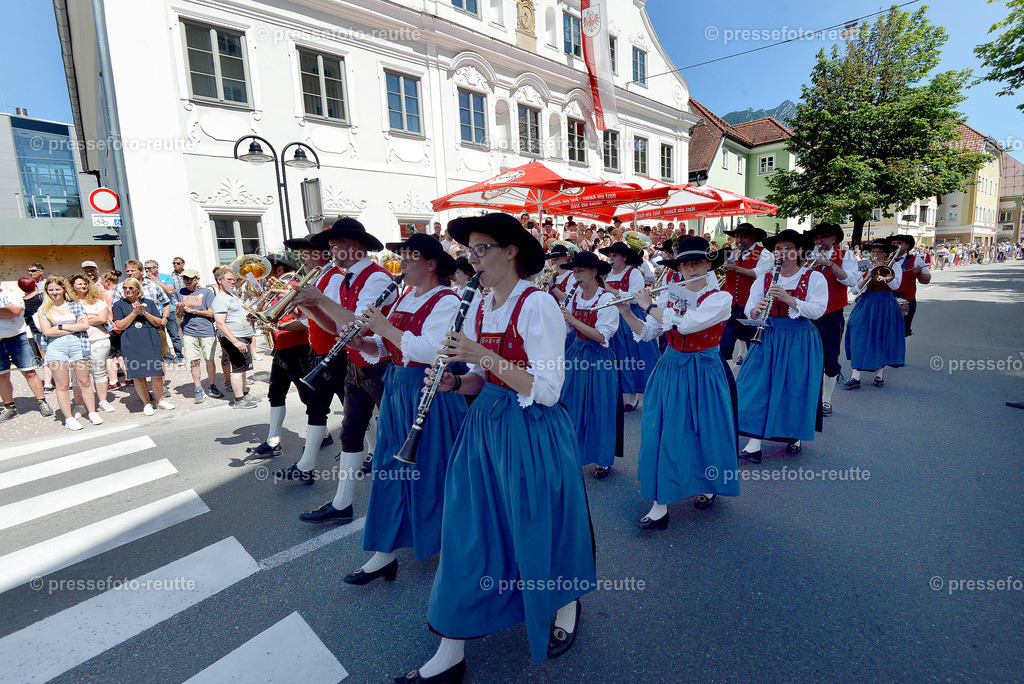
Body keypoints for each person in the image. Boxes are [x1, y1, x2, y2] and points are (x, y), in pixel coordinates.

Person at [390, 213, 594, 683]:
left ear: (511, 252)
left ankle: (564, 600)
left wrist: (478, 355)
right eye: (470, 252)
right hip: (485, 427)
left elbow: (547, 389)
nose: (473, 259)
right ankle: (451, 648)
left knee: (540, 521)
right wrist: (453, 383)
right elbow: (482, 381)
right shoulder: (478, 304)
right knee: (469, 531)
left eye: (482, 249)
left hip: (531, 430)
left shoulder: (537, 304)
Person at [340, 233, 467, 584]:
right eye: (402, 257)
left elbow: (431, 351)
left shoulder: (448, 300)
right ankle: (385, 551)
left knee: (431, 468)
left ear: (431, 264)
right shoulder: (406, 297)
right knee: (388, 468)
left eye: (410, 257)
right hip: (397, 386)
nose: (403, 264)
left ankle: (448, 545)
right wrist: (363, 339)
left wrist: (383, 327)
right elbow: (383, 346)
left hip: (430, 389)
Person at [617, 236, 739, 526]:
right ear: (679, 268)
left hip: (704, 370)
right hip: (670, 368)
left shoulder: (721, 298)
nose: (692, 269)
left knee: (706, 430)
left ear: (709, 264)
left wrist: (647, 305)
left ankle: (708, 485)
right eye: (686, 264)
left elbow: (687, 324)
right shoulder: (670, 297)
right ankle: (661, 502)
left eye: (698, 262)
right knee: (663, 431)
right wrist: (627, 312)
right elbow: (648, 333)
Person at [290, 218, 397, 520]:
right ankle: (342, 503)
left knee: (396, 438)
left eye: (337, 243)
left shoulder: (376, 277)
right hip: (357, 365)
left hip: (381, 366)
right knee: (350, 435)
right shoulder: (349, 278)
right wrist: (310, 307)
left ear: (356, 246)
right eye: (331, 244)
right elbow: (337, 325)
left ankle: (404, 505)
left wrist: (320, 298)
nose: (331, 248)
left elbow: (357, 326)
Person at [736, 230, 827, 463]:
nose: (782, 253)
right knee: (754, 385)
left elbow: (818, 310)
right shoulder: (765, 278)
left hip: (799, 337)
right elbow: (750, 309)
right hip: (768, 333)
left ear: (798, 252)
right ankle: (753, 442)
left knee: (794, 386)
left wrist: (789, 299)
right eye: (778, 249)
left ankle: (793, 435)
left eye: (787, 249)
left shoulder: (814, 277)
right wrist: (756, 309)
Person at [273, 233, 346, 482]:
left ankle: (372, 452)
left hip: (338, 354)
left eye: (304, 254)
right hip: (318, 353)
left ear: (318, 254)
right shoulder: (315, 279)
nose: (301, 260)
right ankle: (306, 466)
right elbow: (308, 320)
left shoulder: (334, 278)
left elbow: (336, 321)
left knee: (354, 409)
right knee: (315, 409)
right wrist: (294, 305)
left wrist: (305, 302)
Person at [558, 250, 622, 478]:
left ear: (595, 272)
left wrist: (572, 319)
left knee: (599, 407)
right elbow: (566, 329)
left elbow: (603, 336)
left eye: (580, 270)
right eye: (574, 271)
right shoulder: (573, 296)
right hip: (576, 354)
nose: (576, 275)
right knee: (570, 404)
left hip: (598, 358)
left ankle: (602, 459)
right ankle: (570, 454)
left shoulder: (606, 299)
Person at [244, 254, 313, 457]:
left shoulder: (293, 286)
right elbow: (270, 314)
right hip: (282, 347)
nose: (262, 274)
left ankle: (323, 433)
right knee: (275, 394)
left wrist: (277, 325)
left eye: (267, 269)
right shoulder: (275, 289)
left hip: (298, 347)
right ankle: (273, 442)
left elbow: (306, 322)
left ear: (279, 270)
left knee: (307, 394)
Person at [804, 223, 859, 417]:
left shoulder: (846, 256)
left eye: (824, 238)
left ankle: (826, 400)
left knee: (830, 358)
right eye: (817, 238)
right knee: (806, 358)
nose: (819, 241)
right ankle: (808, 398)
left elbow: (851, 281)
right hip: (807, 314)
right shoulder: (806, 254)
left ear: (834, 239)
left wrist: (829, 264)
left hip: (832, 313)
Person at [35, 276, 104, 430]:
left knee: (84, 381)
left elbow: (84, 325)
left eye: (57, 289)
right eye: (51, 290)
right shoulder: (43, 310)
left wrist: (59, 327)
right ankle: (69, 418)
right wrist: (71, 327)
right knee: (63, 385)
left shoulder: (74, 305)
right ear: (46, 291)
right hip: (56, 347)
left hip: (78, 344)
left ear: (64, 289)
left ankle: (92, 412)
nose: (54, 292)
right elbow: (47, 331)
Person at [599, 240, 660, 411]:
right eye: (609, 256)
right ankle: (620, 393)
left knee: (634, 358)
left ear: (624, 257)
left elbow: (635, 298)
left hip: (630, 318)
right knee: (618, 359)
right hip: (612, 318)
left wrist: (610, 289)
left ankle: (634, 396)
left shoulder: (634, 273)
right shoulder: (608, 275)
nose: (611, 259)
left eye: (614, 256)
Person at [843, 240, 906, 390]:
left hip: (886, 304)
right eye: (873, 252)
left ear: (886, 254)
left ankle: (879, 375)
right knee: (858, 336)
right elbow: (854, 291)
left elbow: (895, 286)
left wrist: (882, 270)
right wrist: (868, 276)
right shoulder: (863, 265)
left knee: (882, 338)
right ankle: (855, 376)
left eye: (879, 252)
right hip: (866, 303)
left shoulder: (895, 265)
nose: (875, 255)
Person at [111, 278, 173, 415]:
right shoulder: (118, 305)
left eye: (130, 288)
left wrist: (144, 312)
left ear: (138, 289)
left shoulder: (149, 303)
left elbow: (159, 322)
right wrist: (134, 313)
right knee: (138, 375)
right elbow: (119, 325)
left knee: (156, 373)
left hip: (150, 340)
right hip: (131, 342)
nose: (127, 290)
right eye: (125, 288)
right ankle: (147, 404)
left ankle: (160, 400)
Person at [719, 223, 773, 363]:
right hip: (730, 306)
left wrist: (736, 269)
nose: (738, 240)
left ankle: (751, 380)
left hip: (751, 307)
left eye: (743, 237)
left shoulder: (765, 253)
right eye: (736, 237)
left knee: (754, 348)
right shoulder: (731, 253)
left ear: (753, 238)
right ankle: (729, 381)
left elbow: (759, 274)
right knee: (725, 347)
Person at [0, 284, 53, 422]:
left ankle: (42, 402)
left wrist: (9, 310)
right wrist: (5, 310)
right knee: (2, 376)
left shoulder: (11, 294)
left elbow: (14, 311)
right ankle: (10, 407)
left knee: (29, 372)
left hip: (17, 339)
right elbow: (7, 311)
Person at [211, 266, 259, 409]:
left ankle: (244, 393)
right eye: (229, 280)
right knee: (237, 368)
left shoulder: (232, 296)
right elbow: (220, 323)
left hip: (242, 336)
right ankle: (239, 400)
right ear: (219, 280)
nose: (233, 282)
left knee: (243, 368)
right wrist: (235, 341)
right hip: (234, 338)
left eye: (234, 279)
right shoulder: (220, 299)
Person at [68, 274, 115, 414]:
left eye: (85, 283)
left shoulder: (97, 300)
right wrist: (90, 317)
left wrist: (82, 319)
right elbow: (68, 320)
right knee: (77, 375)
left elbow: (102, 318)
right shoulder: (68, 302)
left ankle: (103, 401)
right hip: (76, 343)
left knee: (99, 372)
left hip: (99, 341)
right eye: (80, 284)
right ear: (72, 287)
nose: (84, 286)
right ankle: (80, 405)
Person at [176, 268, 221, 403]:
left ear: (197, 279)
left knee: (209, 359)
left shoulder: (206, 292)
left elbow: (212, 313)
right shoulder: (180, 292)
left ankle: (212, 386)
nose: (187, 281)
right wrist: (180, 310)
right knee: (194, 361)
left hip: (206, 330)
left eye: (190, 278)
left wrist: (193, 311)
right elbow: (179, 316)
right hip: (189, 331)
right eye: (185, 278)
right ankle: (198, 388)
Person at [17, 276, 54, 394]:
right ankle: (66, 382)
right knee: (58, 356)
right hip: (50, 328)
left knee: (45, 357)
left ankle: (48, 383)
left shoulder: (23, 300)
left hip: (35, 331)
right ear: (34, 285)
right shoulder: (41, 297)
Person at [889, 235, 931, 337]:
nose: (895, 245)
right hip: (887, 300)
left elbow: (926, 280)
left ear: (907, 245)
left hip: (906, 301)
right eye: (893, 243)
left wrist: (919, 273)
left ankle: (898, 352)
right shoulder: (886, 260)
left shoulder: (916, 260)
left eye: (899, 243)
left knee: (902, 332)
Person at [145, 260, 184, 363]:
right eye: (145, 269)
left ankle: (179, 356)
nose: (147, 271)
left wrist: (155, 280)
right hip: (155, 312)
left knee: (174, 335)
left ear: (156, 268)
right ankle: (167, 357)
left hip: (168, 310)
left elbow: (170, 291)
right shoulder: (144, 280)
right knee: (161, 336)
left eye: (150, 268)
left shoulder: (166, 277)